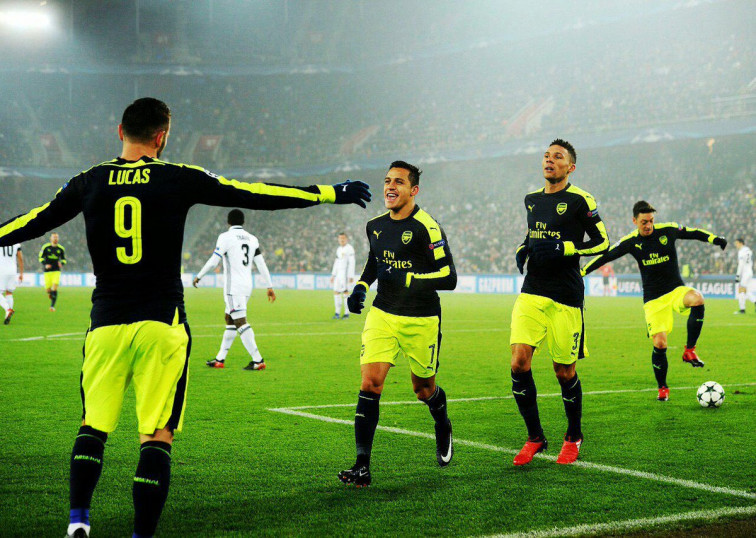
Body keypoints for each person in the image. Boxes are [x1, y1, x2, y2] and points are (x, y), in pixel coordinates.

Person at [0, 97, 370, 538]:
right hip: (162, 324)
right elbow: (254, 193)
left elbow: (33, 221)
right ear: (162, 137)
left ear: (120, 132)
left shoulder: (89, 180)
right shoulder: (177, 177)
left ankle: (78, 520)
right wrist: (330, 193)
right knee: (157, 436)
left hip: (105, 324)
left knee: (93, 426)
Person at [338, 161, 457, 487]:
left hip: (421, 318)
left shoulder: (427, 227)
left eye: (399, 182)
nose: (390, 186)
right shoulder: (375, 225)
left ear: (413, 190)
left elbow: (449, 277)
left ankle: (442, 421)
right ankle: (362, 465)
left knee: (423, 389)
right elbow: (375, 261)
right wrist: (361, 286)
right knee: (370, 383)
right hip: (383, 313)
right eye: (387, 181)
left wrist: (411, 278)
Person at [510, 139, 609, 466]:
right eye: (546, 156)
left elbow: (603, 242)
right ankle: (535, 437)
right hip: (532, 291)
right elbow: (535, 233)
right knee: (518, 363)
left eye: (558, 156)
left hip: (566, 295)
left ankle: (574, 435)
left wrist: (566, 248)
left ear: (571, 167)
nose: (549, 160)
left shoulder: (581, 200)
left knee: (564, 371)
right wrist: (523, 248)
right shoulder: (532, 200)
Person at [581, 200, 727, 401]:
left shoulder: (668, 230)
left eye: (651, 221)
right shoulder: (631, 241)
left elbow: (693, 232)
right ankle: (662, 387)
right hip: (653, 299)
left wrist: (714, 239)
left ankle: (689, 350)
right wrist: (582, 271)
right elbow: (607, 256)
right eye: (644, 222)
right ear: (634, 221)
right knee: (660, 343)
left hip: (675, 290)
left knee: (697, 299)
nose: (648, 225)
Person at [193, 209, 275, 370]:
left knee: (240, 321)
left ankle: (258, 360)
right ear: (243, 222)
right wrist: (269, 285)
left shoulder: (225, 237)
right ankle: (220, 359)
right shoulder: (252, 239)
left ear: (228, 222)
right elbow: (261, 264)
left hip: (233, 287)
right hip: (247, 286)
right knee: (229, 319)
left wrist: (199, 276)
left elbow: (214, 261)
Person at [330, 232, 355, 319]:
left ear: (346, 239)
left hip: (345, 273)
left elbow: (352, 262)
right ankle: (337, 313)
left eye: (343, 238)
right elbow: (336, 262)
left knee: (345, 292)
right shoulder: (339, 249)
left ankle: (346, 313)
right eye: (340, 238)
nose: (341, 240)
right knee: (336, 292)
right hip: (338, 274)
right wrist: (333, 275)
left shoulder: (349, 248)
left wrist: (351, 275)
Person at [39, 232, 66, 311]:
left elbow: (64, 260)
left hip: (56, 271)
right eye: (54, 237)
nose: (55, 239)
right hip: (47, 272)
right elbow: (40, 258)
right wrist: (45, 264)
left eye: (56, 237)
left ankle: (52, 306)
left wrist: (61, 263)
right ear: (50, 238)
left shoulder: (61, 249)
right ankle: (52, 294)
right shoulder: (45, 247)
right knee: (48, 290)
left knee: (54, 287)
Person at [0, 242, 23, 324]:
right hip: (12, 271)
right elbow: (20, 258)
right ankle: (8, 317)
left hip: (2, 270)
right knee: (9, 293)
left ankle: (8, 309)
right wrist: (21, 273)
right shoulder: (16, 243)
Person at [733, 238, 754, 314]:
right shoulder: (748, 250)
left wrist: (737, 276)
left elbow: (741, 265)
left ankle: (743, 309)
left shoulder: (741, 252)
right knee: (744, 290)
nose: (736, 245)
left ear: (741, 243)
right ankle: (742, 308)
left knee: (742, 290)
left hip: (745, 273)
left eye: (737, 243)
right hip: (749, 272)